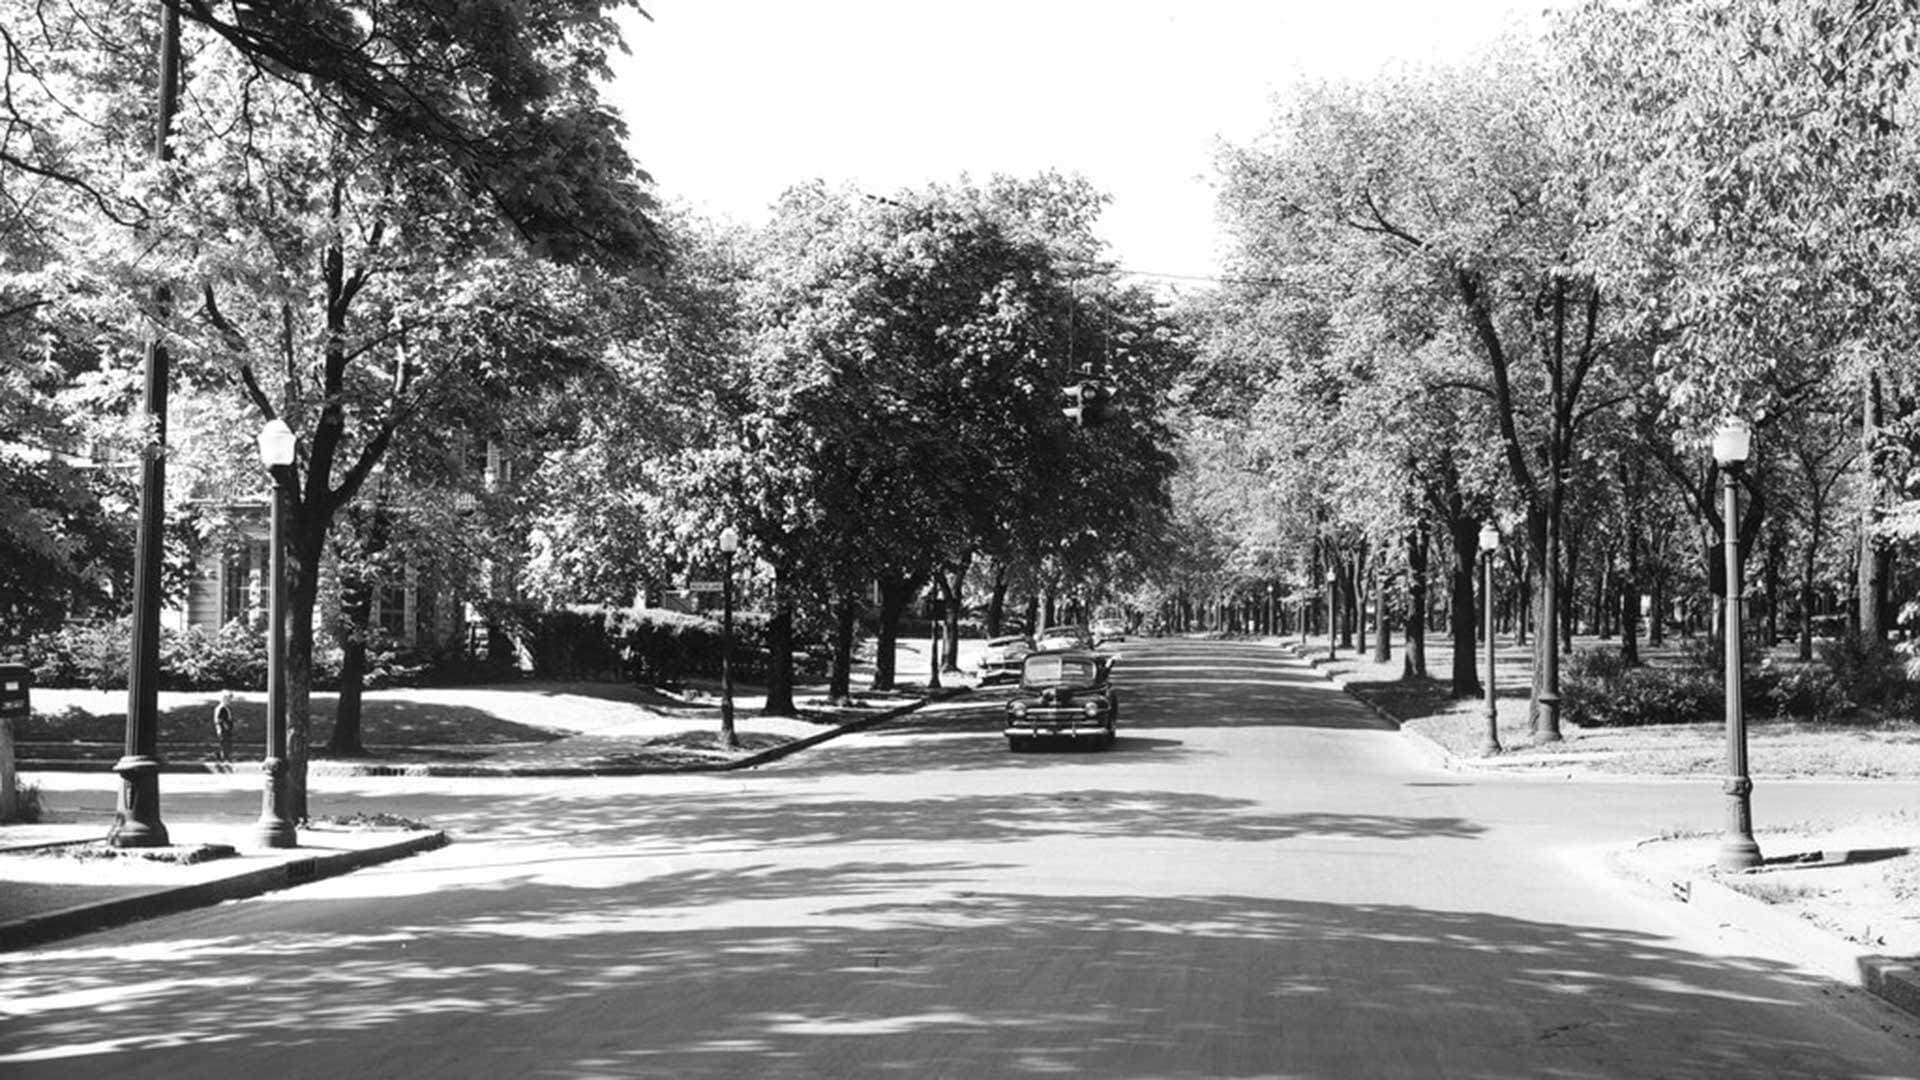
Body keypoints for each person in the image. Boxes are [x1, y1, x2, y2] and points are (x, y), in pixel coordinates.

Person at [212, 690, 236, 764]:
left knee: (225, 743)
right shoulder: (221, 708)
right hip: (223, 729)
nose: (230, 701)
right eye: (229, 699)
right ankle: (224, 758)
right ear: (224, 698)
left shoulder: (225, 707)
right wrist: (225, 726)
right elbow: (220, 719)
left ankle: (220, 756)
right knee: (224, 744)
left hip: (226, 728)